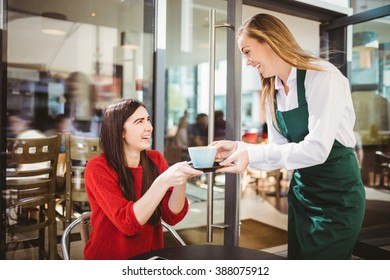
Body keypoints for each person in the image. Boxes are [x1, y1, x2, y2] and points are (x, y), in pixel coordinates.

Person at [211, 14, 365, 260]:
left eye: (248, 51)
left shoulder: (323, 76)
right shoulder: (272, 90)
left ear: (270, 41)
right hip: (302, 195)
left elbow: (317, 150)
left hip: (338, 199)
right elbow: (278, 150)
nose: (248, 61)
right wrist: (239, 148)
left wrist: (249, 153)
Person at [83, 98, 202, 260]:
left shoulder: (155, 159)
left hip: (150, 258)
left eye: (148, 120)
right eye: (139, 122)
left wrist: (181, 181)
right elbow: (127, 223)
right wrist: (163, 181)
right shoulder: (98, 167)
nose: (149, 127)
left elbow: (172, 216)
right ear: (120, 131)